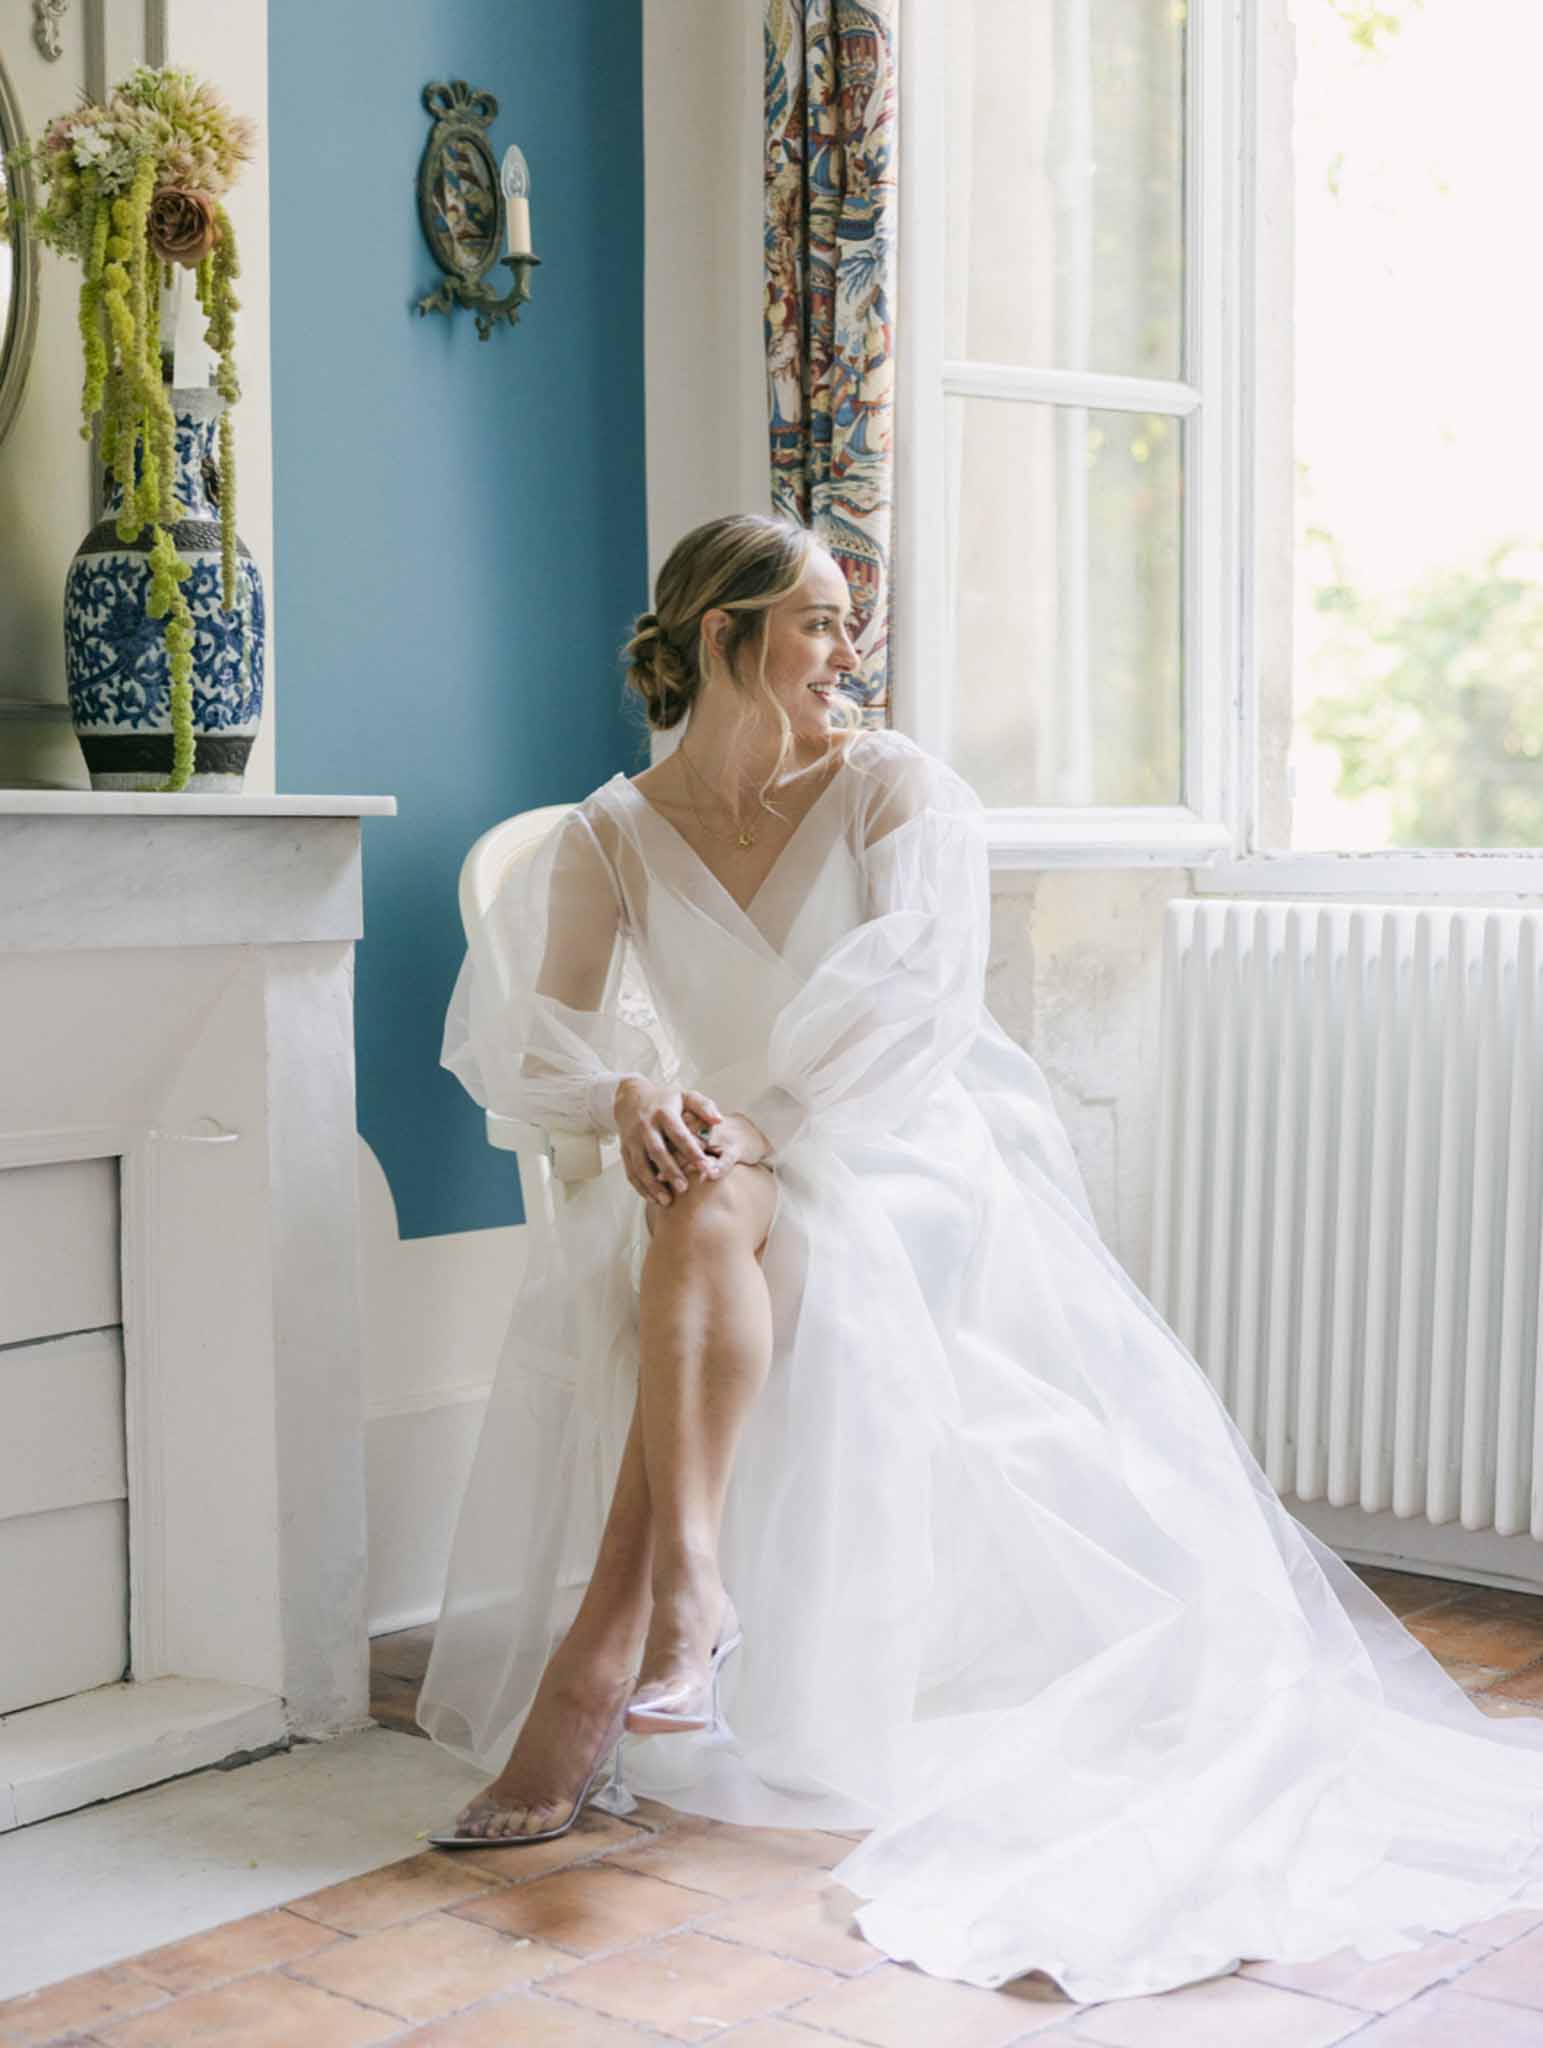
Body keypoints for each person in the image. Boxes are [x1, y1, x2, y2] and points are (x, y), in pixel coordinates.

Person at [419, 511, 1543, 2003]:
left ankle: (615, 1647)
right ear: (721, 636)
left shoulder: (894, 789)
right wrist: (630, 1091)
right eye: (815, 620)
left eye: (844, 619)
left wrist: (757, 1124)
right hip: (726, 1158)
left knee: (712, 1214)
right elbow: (537, 1039)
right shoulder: (607, 835)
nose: (846, 649)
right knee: (704, 1204)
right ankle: (686, 1601)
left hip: (895, 1144)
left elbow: (917, 1004)